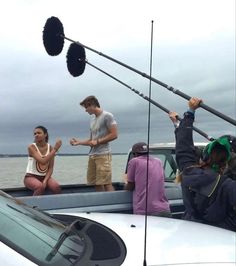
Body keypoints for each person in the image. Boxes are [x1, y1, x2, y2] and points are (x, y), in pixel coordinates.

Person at [169, 97, 236, 231]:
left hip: (190, 232)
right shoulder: (229, 186)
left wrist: (189, 113)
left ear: (205, 156)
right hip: (220, 239)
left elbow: (183, 147)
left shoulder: (188, 172)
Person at [70, 95, 118, 192]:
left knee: (106, 182)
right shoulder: (92, 120)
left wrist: (98, 141)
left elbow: (114, 134)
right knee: (96, 182)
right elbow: (91, 141)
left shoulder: (107, 115)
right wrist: (78, 143)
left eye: (86, 107)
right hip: (92, 155)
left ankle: (111, 203)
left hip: (103, 154)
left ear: (92, 105)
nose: (86, 110)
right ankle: (101, 204)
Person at [124, 142, 171, 217]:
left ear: (134, 154)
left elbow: (130, 185)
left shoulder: (134, 161)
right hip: (164, 209)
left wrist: (125, 187)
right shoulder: (158, 161)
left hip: (145, 211)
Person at [24, 125, 62, 196]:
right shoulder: (31, 147)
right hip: (30, 177)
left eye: (39, 133)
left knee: (56, 187)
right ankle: (33, 206)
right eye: (35, 134)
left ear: (45, 134)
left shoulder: (50, 147)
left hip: (44, 177)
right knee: (39, 187)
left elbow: (50, 168)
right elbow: (43, 161)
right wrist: (55, 149)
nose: (36, 135)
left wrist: (45, 181)